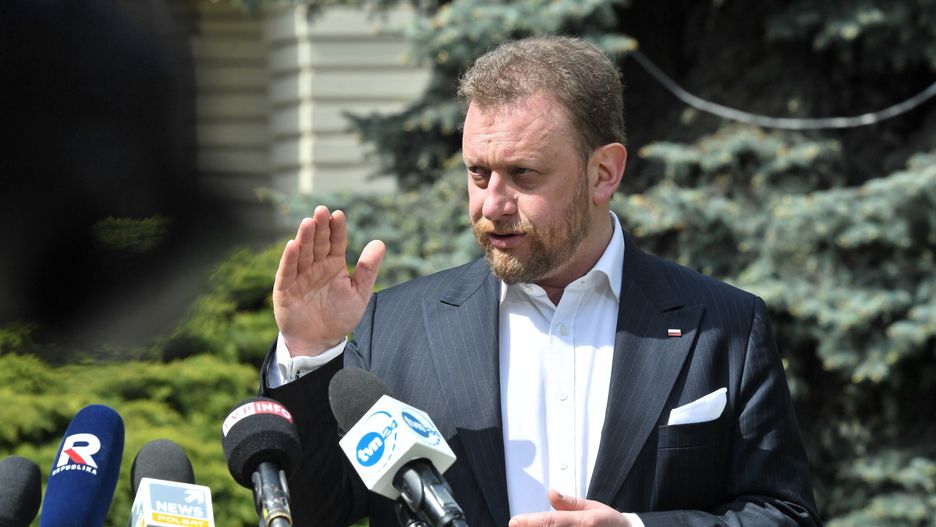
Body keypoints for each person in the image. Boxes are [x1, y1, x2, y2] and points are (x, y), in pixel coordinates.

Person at [259, 36, 820, 527]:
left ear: (604, 173)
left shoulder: (724, 325)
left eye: (522, 174)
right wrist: (310, 351)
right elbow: (315, 514)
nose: (492, 205)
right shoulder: (392, 327)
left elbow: (783, 514)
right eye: (478, 173)